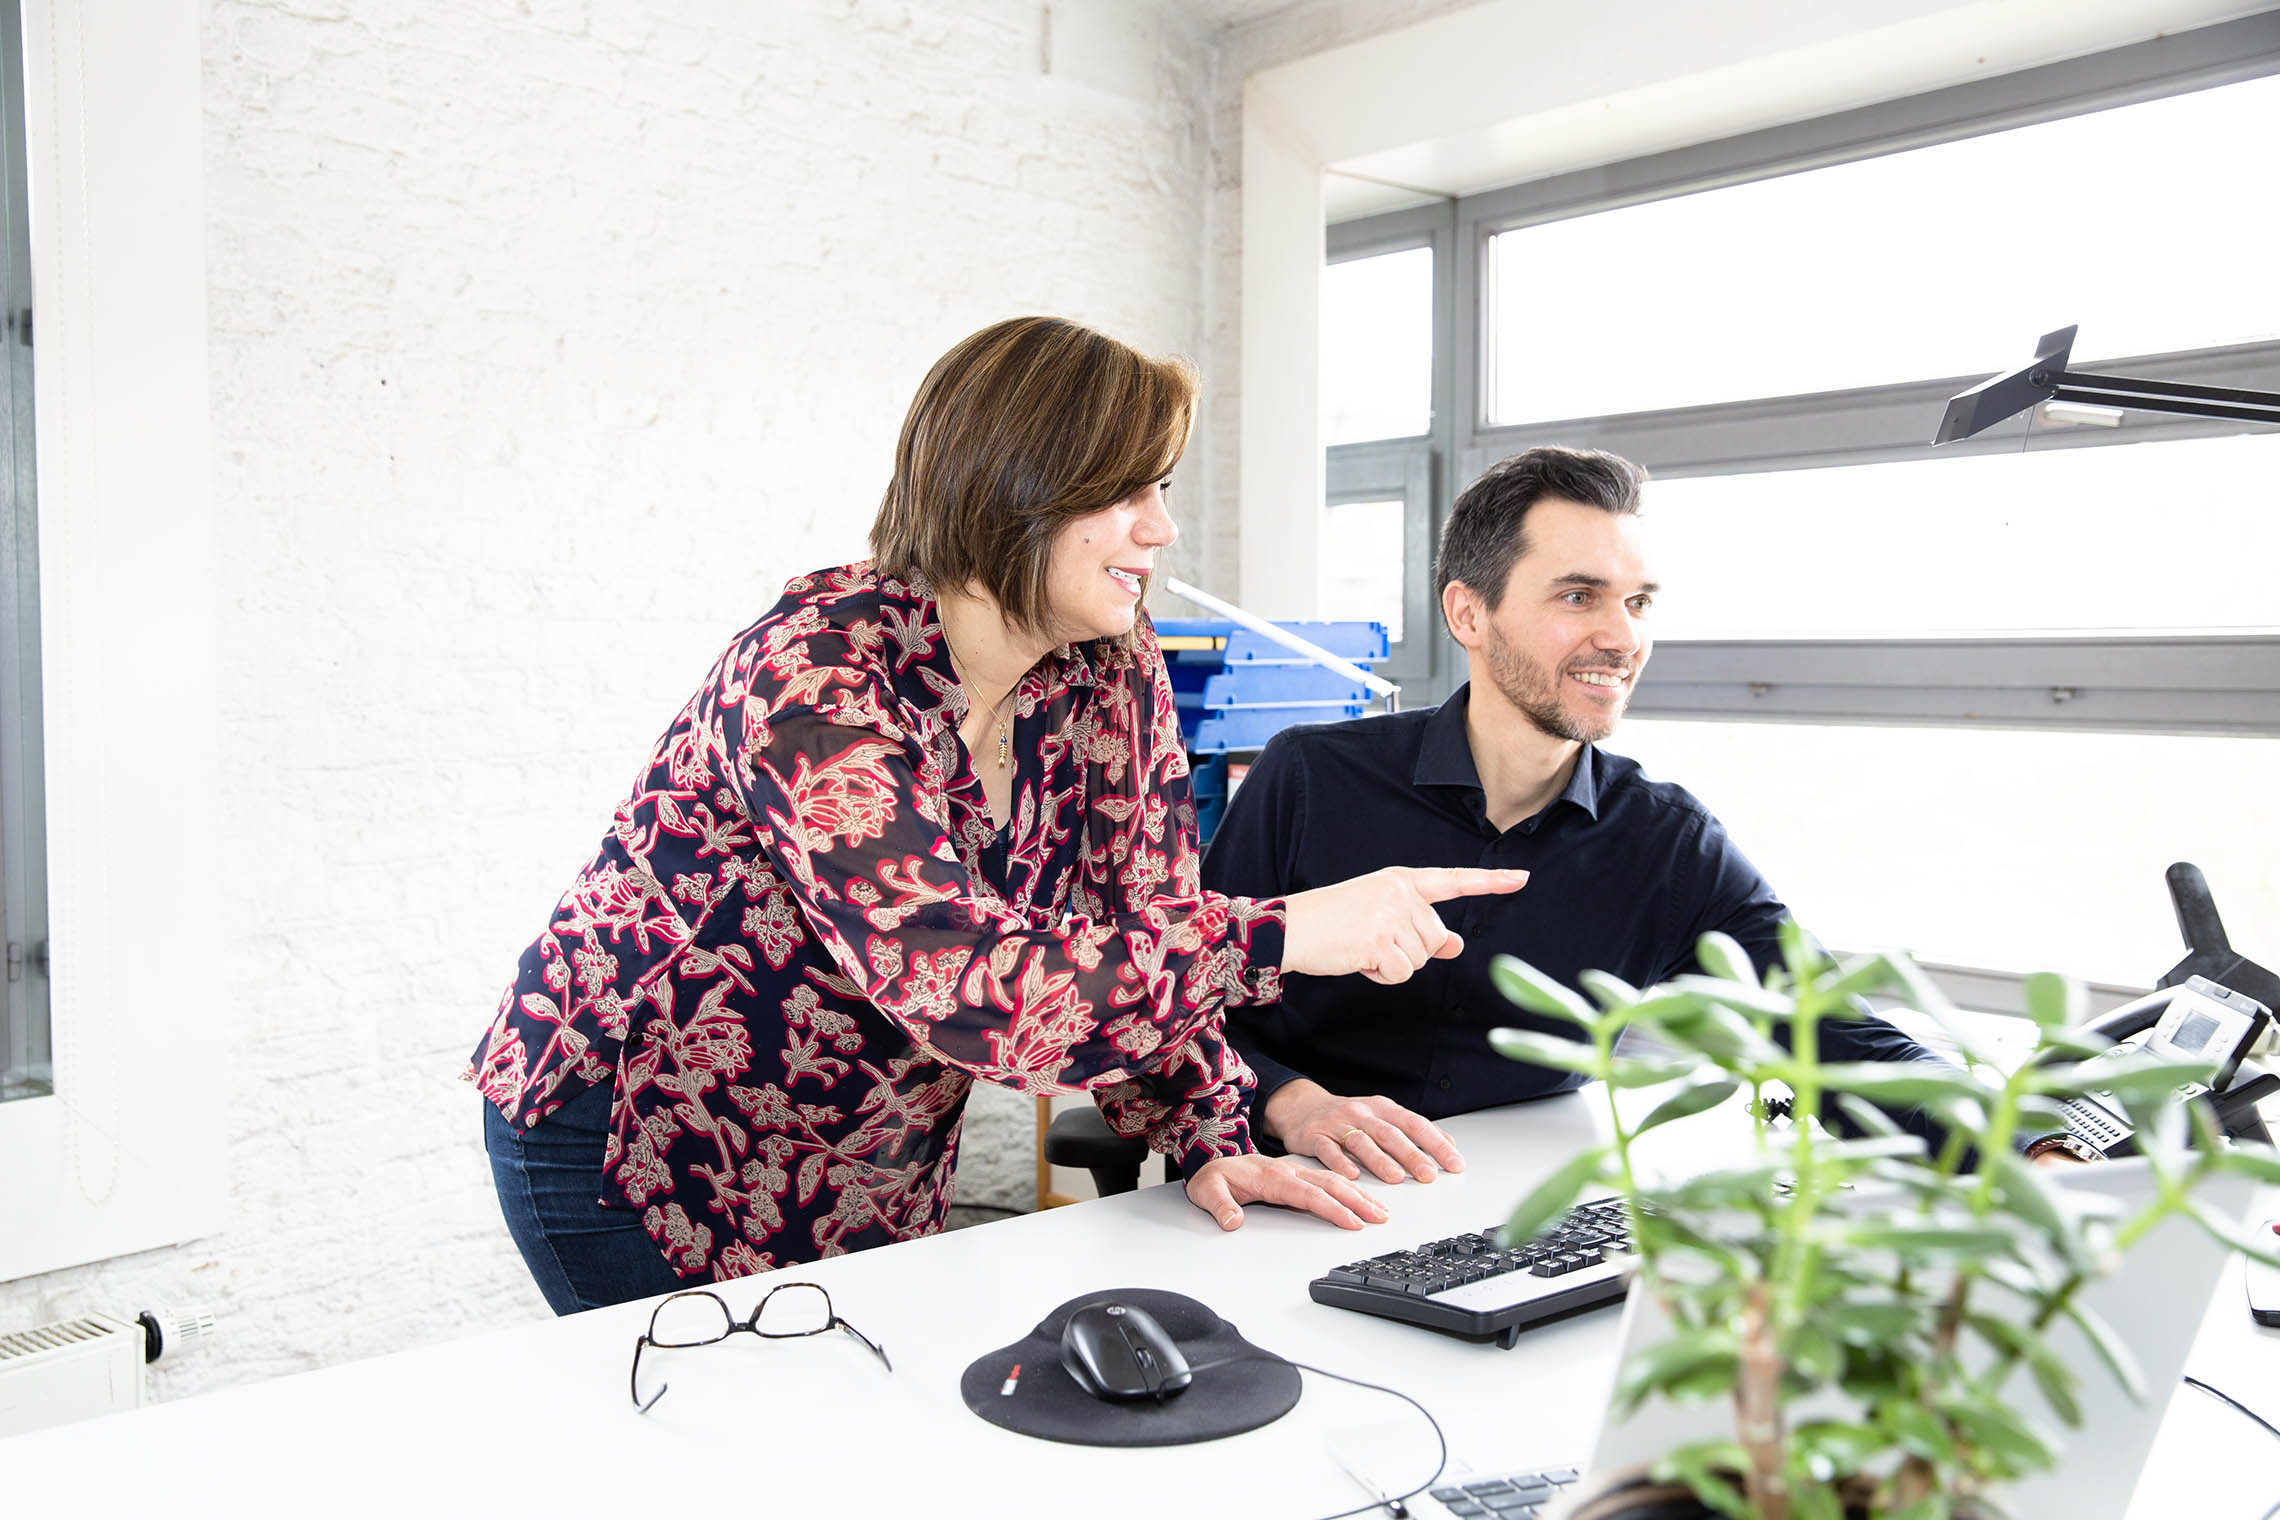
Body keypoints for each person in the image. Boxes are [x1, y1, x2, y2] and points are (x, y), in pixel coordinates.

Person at [471, 316, 1529, 1313]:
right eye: (1128, 491)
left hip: (862, 1144)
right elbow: (970, 986)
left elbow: (1146, 912)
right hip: (629, 1130)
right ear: (1016, 488)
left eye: (1160, 487)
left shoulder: (1110, 665)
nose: (1162, 527)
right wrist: (1294, 930)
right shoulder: (815, 675)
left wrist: (1211, 1131)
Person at [1202, 444, 1944, 1187]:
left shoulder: (1666, 843)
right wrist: (1288, 1103)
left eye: (1639, 602)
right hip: (1283, 1191)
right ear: (1469, 613)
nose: (1623, 638)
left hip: (1521, 1211)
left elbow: (1830, 1030)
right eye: (1579, 597)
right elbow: (1173, 999)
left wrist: (2039, 1144)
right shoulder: (1308, 778)